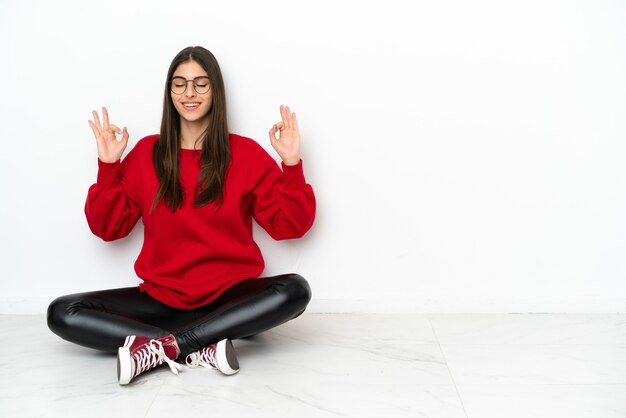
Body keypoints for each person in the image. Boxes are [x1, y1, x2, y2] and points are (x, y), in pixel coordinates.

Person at [47, 46, 316, 385]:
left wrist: (291, 164)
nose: (189, 93)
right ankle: (202, 346)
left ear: (215, 91)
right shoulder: (147, 152)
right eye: (180, 84)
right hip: (162, 300)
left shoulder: (245, 153)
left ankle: (164, 346)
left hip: (229, 299)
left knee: (295, 290)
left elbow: (290, 226)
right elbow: (108, 229)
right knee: (62, 312)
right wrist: (108, 167)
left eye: (201, 84)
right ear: (169, 91)